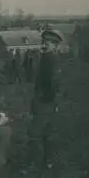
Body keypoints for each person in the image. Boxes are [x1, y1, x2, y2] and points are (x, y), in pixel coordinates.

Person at [27, 33, 61, 169]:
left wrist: (46, 99)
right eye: (44, 42)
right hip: (48, 100)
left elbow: (54, 82)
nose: (44, 45)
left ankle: (35, 162)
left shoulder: (51, 60)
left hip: (45, 101)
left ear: (55, 46)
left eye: (48, 43)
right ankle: (48, 161)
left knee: (34, 133)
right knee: (48, 132)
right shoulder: (46, 58)